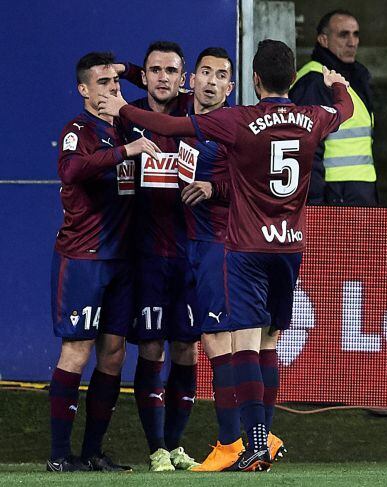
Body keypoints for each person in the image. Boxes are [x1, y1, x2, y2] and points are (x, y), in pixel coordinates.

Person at [98, 39, 354, 471]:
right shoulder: (315, 117)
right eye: (206, 74)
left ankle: (238, 442)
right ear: (292, 79)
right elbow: (343, 110)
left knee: (237, 343)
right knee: (264, 339)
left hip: (242, 245)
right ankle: (261, 438)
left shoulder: (235, 121)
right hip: (290, 247)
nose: (211, 82)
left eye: (222, 76)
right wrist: (336, 85)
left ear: (249, 81)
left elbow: (170, 128)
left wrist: (121, 106)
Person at [48, 51, 160, 472]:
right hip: (84, 258)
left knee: (113, 355)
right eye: (101, 84)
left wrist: (129, 72)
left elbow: (171, 95)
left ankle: (93, 452)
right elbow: (72, 171)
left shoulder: (129, 126)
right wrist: (126, 150)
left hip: (123, 262)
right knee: (76, 351)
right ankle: (59, 456)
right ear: (83, 90)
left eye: (114, 84)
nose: (111, 91)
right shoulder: (78, 130)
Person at [121, 41, 200, 472]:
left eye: (171, 70)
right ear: (145, 76)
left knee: (187, 350)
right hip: (148, 257)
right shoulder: (128, 120)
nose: (162, 77)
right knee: (151, 348)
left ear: (183, 77)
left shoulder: (196, 116)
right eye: (154, 70)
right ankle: (155, 449)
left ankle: (175, 444)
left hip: (190, 257)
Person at [290, 9, 377, 206]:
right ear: (323, 39)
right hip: (334, 195)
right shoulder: (314, 81)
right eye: (343, 34)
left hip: (356, 191)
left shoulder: (356, 78)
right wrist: (315, 202)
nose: (352, 42)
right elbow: (306, 148)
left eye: (356, 34)